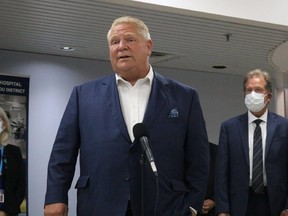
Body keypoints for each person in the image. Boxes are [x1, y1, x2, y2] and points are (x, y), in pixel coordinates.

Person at [44, 16, 209, 216]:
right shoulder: (83, 95)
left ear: (148, 47)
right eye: (114, 42)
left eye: (130, 39)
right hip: (100, 204)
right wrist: (55, 197)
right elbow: (62, 153)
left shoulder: (184, 96)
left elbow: (198, 158)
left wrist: (192, 206)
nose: (121, 46)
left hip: (165, 206)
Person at [215, 69, 288, 216]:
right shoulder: (229, 127)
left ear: (269, 96)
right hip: (239, 202)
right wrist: (222, 209)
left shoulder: (284, 127)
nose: (252, 94)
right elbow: (221, 172)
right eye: (249, 90)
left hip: (276, 203)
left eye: (258, 90)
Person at [0, 107, 25, 216]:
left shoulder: (14, 152)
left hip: (9, 212)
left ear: (4, 124)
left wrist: (5, 211)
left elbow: (20, 185)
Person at [198, 143, 217, 216]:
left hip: (211, 211)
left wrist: (214, 201)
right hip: (181, 209)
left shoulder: (215, 152)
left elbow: (225, 181)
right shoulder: (178, 151)